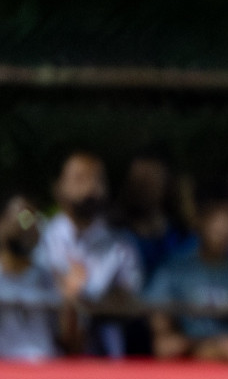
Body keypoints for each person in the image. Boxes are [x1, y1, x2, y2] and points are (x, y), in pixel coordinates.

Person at [35, 151, 143, 357]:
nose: (91, 188)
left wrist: (81, 296)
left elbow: (129, 300)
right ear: (58, 188)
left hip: (106, 360)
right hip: (48, 360)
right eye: (80, 179)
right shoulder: (42, 241)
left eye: (98, 179)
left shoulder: (121, 245)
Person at [144, 199, 228, 364]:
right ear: (200, 222)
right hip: (191, 360)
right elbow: (162, 343)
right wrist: (216, 346)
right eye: (215, 219)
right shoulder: (172, 272)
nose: (221, 227)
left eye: (227, 219)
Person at [0, 196, 82, 360]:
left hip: (43, 365)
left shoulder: (48, 276)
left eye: (30, 220)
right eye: (20, 219)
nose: (24, 226)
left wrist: (71, 300)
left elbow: (69, 339)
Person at [113, 150, 192, 282]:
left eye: (152, 179)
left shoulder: (183, 240)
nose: (144, 187)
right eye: (138, 179)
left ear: (167, 184)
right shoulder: (115, 240)